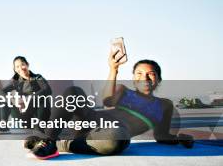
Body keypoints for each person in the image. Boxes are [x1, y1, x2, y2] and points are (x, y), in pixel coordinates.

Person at [25, 50, 194, 159]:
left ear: (159, 79)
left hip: (112, 134)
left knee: (118, 138)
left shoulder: (165, 105)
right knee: (73, 91)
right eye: (139, 73)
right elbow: (106, 100)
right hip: (92, 120)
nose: (145, 78)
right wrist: (113, 69)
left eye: (151, 74)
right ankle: (48, 140)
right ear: (134, 78)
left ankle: (61, 144)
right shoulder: (124, 91)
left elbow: (162, 135)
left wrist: (178, 138)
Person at [9, 56, 52, 123]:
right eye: (17, 67)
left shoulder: (37, 77)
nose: (20, 68)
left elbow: (48, 90)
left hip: (39, 113)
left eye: (22, 64)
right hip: (23, 114)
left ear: (27, 64)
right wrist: (18, 102)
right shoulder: (14, 81)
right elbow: (9, 94)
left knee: (43, 96)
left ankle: (40, 125)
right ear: (15, 69)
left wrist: (27, 99)